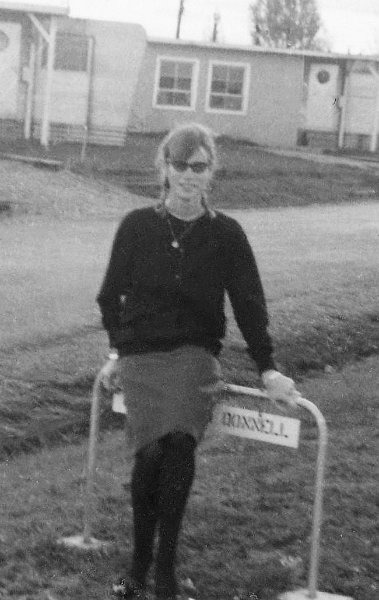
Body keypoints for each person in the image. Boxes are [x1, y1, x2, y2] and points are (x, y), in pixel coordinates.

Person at [97, 123, 299, 600]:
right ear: (163, 168)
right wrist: (116, 351)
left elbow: (249, 304)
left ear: (212, 172)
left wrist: (267, 367)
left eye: (199, 166)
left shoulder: (227, 234)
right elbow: (111, 296)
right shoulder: (136, 226)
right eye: (179, 164)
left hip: (193, 358)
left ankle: (163, 572)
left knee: (177, 447)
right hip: (142, 360)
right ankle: (138, 566)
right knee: (148, 457)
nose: (188, 175)